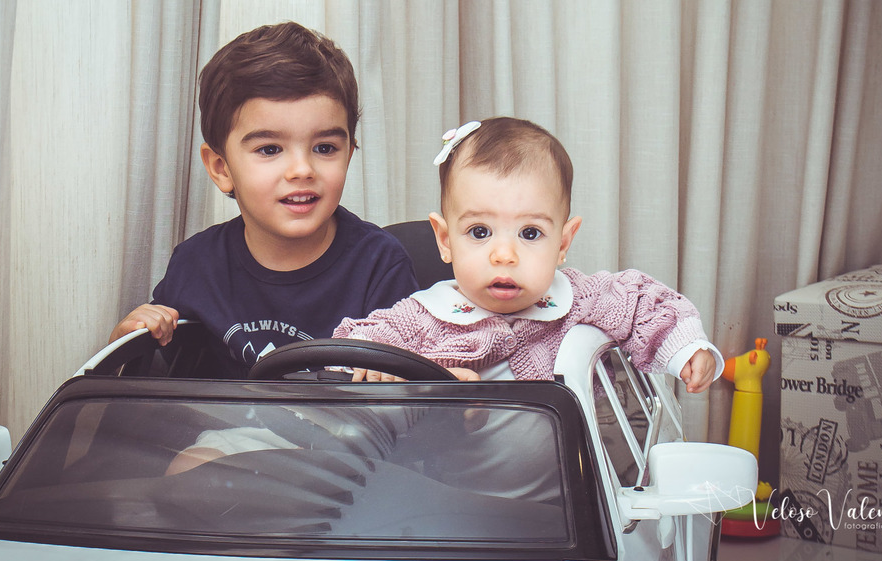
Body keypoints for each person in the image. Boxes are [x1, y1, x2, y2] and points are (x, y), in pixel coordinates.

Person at [109, 22, 419, 377]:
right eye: (270, 149)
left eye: (325, 148)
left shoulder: (380, 265)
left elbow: (408, 398)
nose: (302, 169)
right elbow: (155, 378)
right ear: (221, 167)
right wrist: (127, 339)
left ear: (349, 154)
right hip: (225, 432)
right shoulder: (196, 265)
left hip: (350, 431)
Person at [334, 116, 722, 390]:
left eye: (531, 233)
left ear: (563, 243)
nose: (505, 255)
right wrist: (394, 370)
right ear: (445, 240)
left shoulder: (580, 300)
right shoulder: (421, 318)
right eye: (480, 232)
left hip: (565, 488)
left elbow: (645, 303)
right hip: (452, 487)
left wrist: (687, 347)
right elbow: (352, 349)